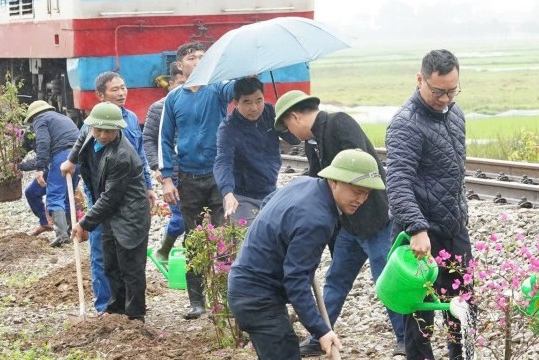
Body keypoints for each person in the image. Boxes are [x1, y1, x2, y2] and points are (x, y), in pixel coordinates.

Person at [274, 90, 405, 357]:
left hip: (374, 221)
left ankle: (405, 339)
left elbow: (364, 171)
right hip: (347, 225)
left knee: (385, 281)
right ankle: (318, 335)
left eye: (287, 125)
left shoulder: (339, 123)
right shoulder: (313, 143)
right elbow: (317, 183)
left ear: (295, 116)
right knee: (335, 280)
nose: (290, 132)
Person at [228, 148, 385, 360]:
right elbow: (296, 281)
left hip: (252, 289)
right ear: (334, 181)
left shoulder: (304, 184)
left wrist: (286, 244)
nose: (361, 199)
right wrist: (321, 330)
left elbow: (268, 203)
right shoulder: (316, 219)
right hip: (256, 298)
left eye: (367, 193)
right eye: (357, 191)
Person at [385, 49, 470, 360]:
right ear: (419, 79)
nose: (445, 98)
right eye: (438, 91)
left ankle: (461, 356)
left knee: (462, 304)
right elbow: (397, 183)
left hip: (454, 228)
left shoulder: (456, 114)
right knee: (420, 314)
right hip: (420, 234)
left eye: (452, 90)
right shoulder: (405, 124)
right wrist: (416, 227)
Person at [62, 71, 154, 313]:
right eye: (98, 130)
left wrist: (84, 223)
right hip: (110, 209)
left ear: (118, 129)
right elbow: (80, 146)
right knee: (110, 263)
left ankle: (134, 319)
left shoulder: (122, 156)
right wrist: (70, 162)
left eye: (108, 131)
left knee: (131, 269)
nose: (103, 134)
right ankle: (113, 311)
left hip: (128, 214)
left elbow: (111, 197)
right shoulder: (92, 137)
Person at [159, 41, 236, 319]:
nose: (199, 61)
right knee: (193, 239)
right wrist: (167, 178)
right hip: (188, 179)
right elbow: (165, 139)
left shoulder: (217, 89)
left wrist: (244, 74)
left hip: (219, 176)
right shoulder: (174, 98)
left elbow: (236, 89)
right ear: (180, 65)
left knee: (225, 237)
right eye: (192, 57)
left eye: (204, 57)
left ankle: (228, 300)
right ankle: (197, 301)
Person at [213, 77, 281, 225]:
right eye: (247, 102)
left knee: (274, 240)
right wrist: (228, 193)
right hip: (242, 196)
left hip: (270, 190)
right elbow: (223, 162)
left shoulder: (270, 112)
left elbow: (294, 139)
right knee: (245, 242)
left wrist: (284, 120)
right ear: (236, 103)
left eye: (259, 100)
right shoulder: (228, 128)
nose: (255, 108)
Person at [20, 100, 80, 245]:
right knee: (63, 195)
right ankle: (69, 230)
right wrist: (19, 165)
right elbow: (41, 153)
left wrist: (39, 169)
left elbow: (43, 144)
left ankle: (62, 235)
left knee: (55, 196)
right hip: (78, 157)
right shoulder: (62, 118)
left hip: (61, 158)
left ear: (33, 117)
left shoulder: (41, 120)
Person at [143, 62, 186, 262]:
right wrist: (156, 166)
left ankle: (190, 255)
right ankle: (164, 250)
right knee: (180, 218)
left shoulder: (200, 105)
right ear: (170, 84)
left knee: (200, 218)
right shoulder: (159, 108)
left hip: (197, 171)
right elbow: (149, 139)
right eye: (180, 83)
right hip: (173, 172)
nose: (184, 87)